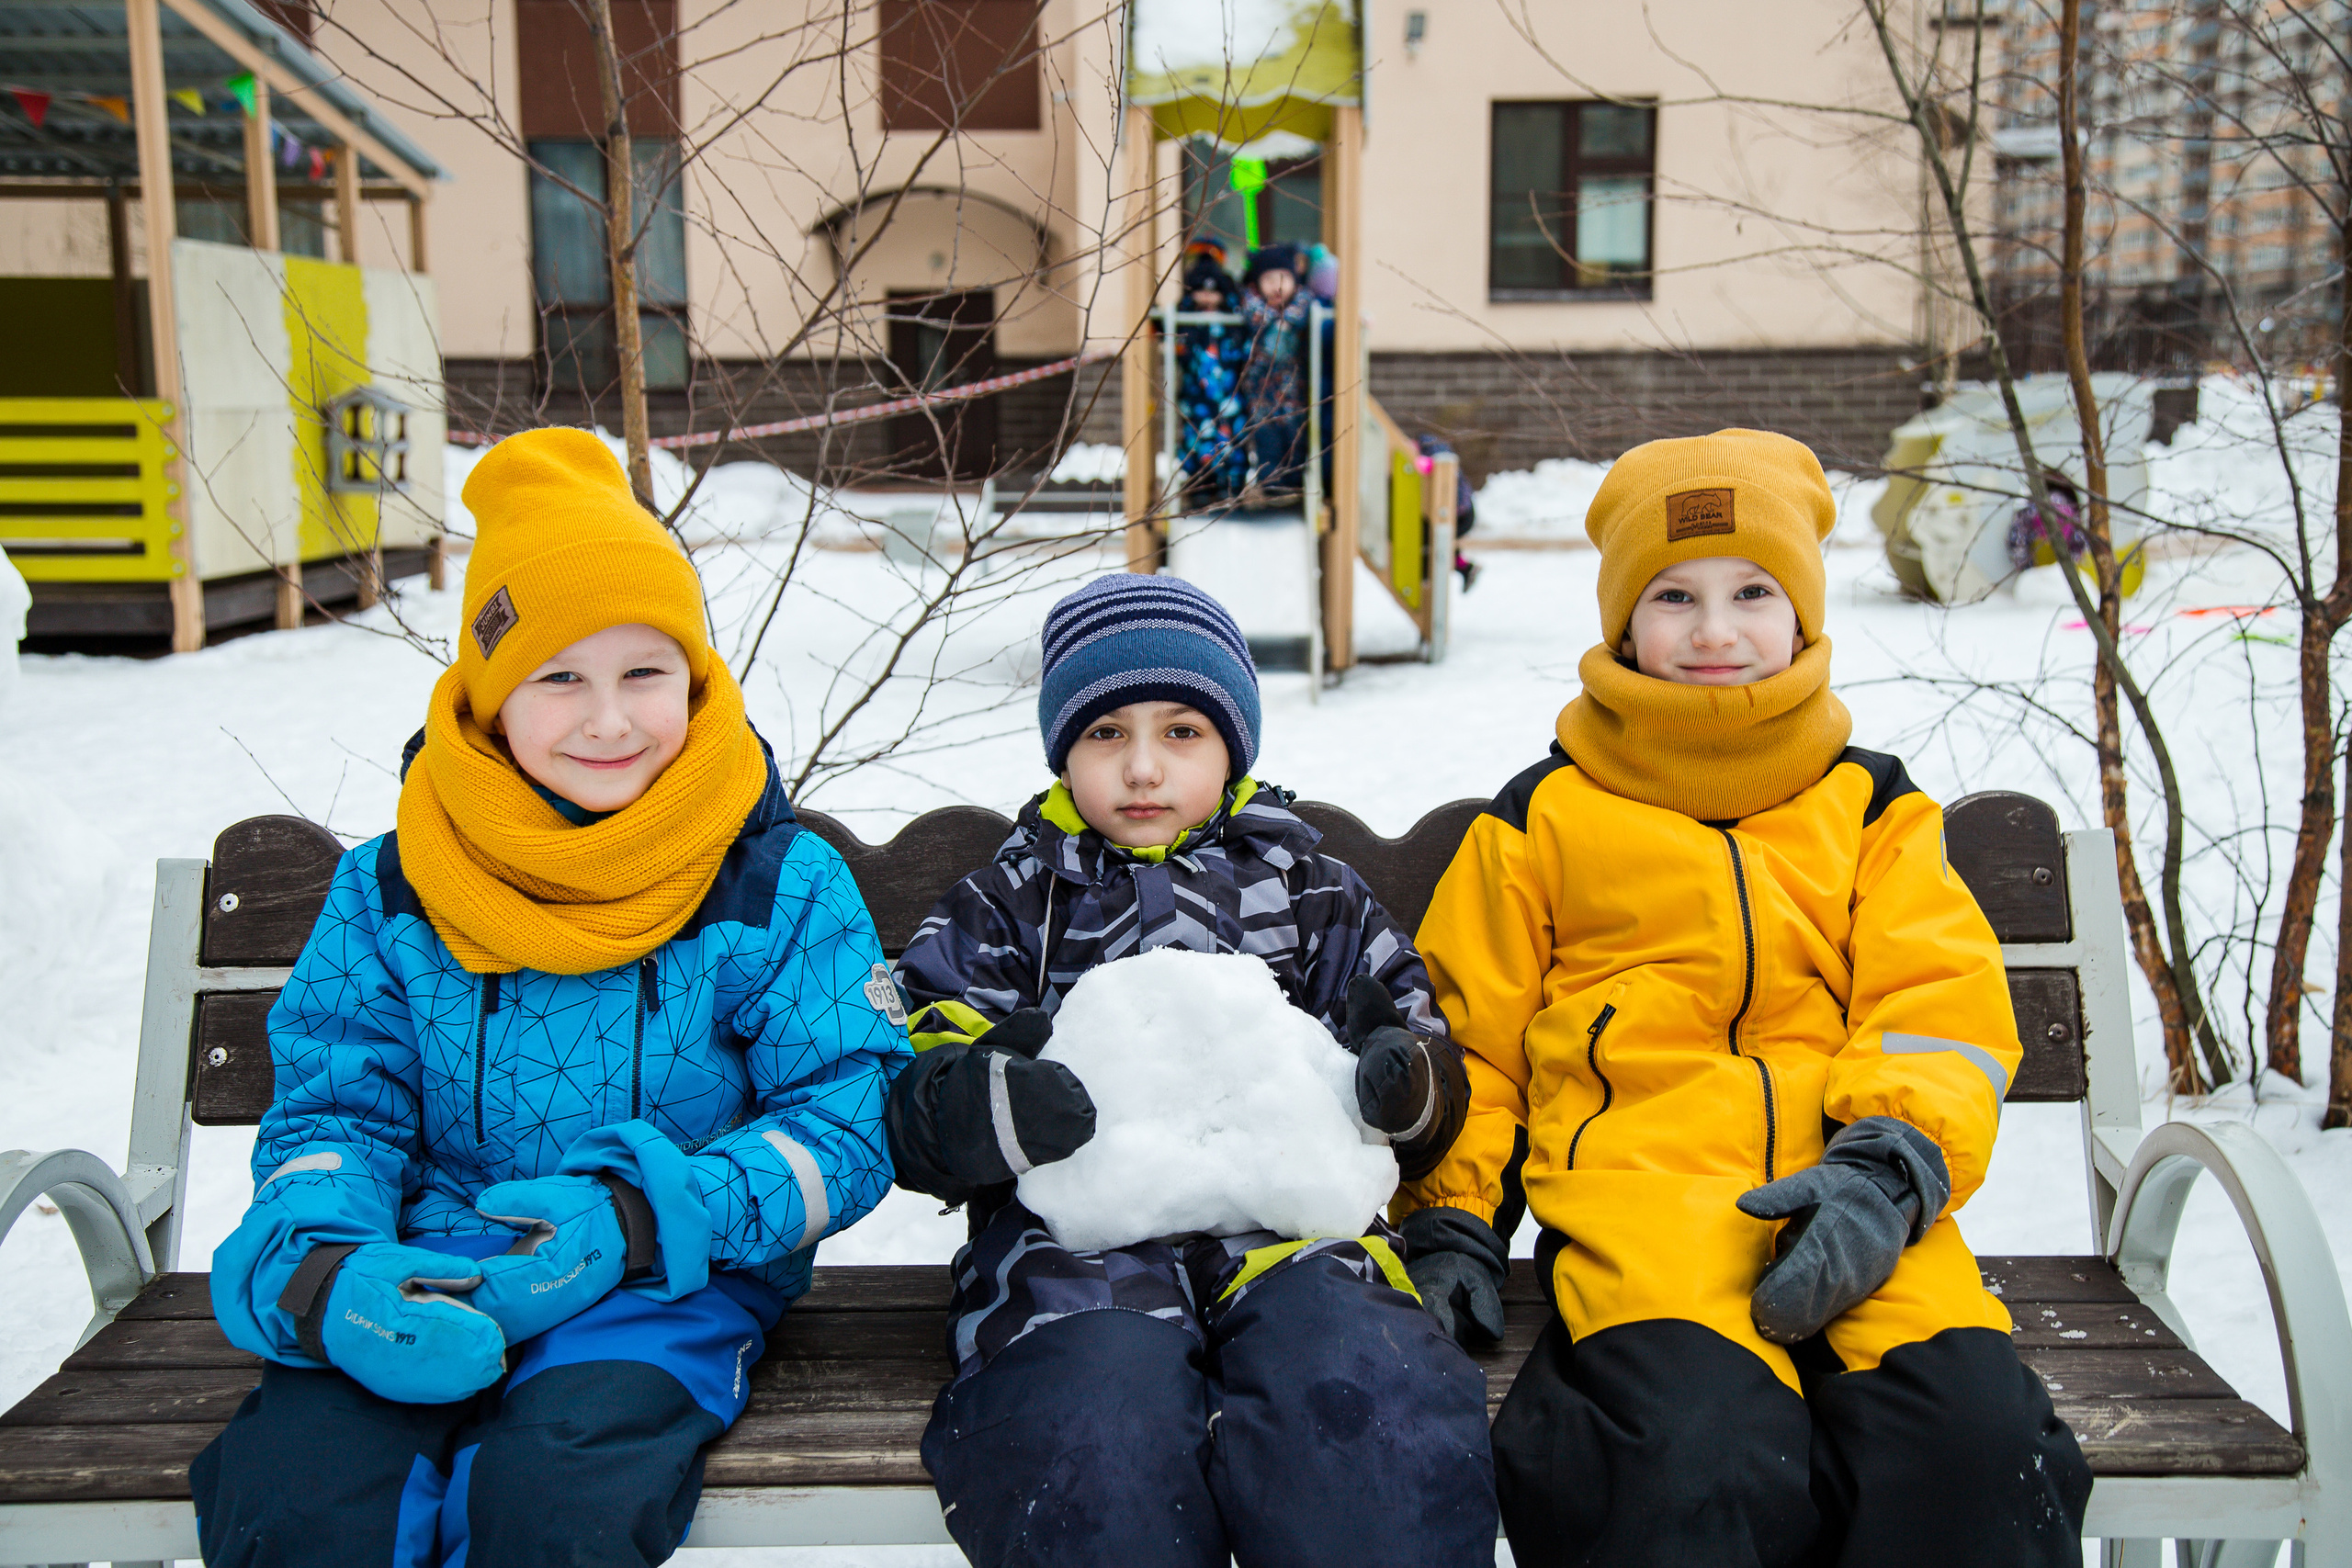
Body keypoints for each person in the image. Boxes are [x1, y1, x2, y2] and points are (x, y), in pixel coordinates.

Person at [192, 428, 910, 1568]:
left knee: (550, 1513)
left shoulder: (774, 883)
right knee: (301, 1507)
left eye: (643, 674)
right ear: (489, 697)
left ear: (694, 678)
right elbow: (336, 1114)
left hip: (660, 1284)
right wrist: (329, 1268)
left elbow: (847, 1115)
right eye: (559, 676)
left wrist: (641, 1220)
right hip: (421, 1267)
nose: (610, 720)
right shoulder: (395, 889)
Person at [1398, 429, 2093, 1567]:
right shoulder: (1541, 821)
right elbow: (1469, 1037)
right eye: (1673, 595)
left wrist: (1888, 1170)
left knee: (1969, 1447)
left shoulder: (1870, 809)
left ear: (1803, 610)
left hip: (1863, 1209)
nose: (1715, 631)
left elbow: (1938, 1000)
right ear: (1623, 621)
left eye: (1752, 591)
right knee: (1688, 1459)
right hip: (1647, 1214)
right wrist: (1453, 1218)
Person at [884, 571, 1498, 1568]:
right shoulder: (1010, 901)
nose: (1140, 769)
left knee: (1364, 1409)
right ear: (1063, 750)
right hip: (1072, 1253)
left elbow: (1407, 1029)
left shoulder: (1307, 888)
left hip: (1295, 1233)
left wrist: (1403, 1082)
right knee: (1087, 1437)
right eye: (1104, 734)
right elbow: (923, 1054)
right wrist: (989, 1106)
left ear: (1231, 746)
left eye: (1180, 733)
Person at [1237, 243, 1312, 503]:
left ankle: (1293, 483)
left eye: (1284, 279)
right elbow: (1251, 311)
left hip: (1293, 389)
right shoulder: (1252, 304)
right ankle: (1270, 484)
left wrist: (1287, 320)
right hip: (1262, 390)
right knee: (1266, 439)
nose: (1276, 287)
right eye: (1268, 279)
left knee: (1294, 436)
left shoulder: (1302, 303)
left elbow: (1304, 305)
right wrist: (1273, 320)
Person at [1173, 241, 1247, 505]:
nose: (1207, 299)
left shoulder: (1231, 319)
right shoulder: (1187, 319)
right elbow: (1178, 347)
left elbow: (1243, 349)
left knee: (1231, 439)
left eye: (1213, 293)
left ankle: (1232, 484)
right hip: (1197, 398)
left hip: (1229, 395)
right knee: (1198, 440)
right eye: (1201, 292)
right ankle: (1200, 484)